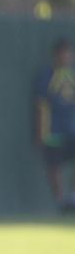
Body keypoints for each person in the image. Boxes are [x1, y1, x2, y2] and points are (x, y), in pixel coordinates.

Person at [34, 38, 75, 213]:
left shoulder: (72, 76)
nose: (66, 57)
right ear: (55, 55)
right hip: (52, 132)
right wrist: (39, 133)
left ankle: (72, 197)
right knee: (54, 166)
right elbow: (41, 106)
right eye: (62, 53)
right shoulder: (46, 77)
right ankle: (61, 201)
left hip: (72, 130)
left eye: (68, 53)